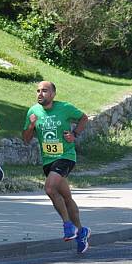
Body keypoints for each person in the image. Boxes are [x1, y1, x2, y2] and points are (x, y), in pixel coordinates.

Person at [22, 81, 91, 253]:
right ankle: (82, 231)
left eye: (44, 91)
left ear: (53, 94)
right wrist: (31, 125)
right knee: (66, 198)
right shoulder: (33, 111)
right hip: (48, 161)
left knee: (50, 188)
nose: (40, 94)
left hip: (65, 156)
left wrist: (74, 134)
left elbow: (84, 118)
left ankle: (68, 226)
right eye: (38, 91)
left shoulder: (65, 108)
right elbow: (26, 139)